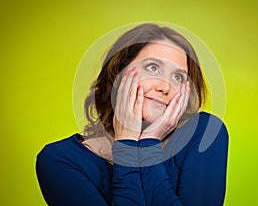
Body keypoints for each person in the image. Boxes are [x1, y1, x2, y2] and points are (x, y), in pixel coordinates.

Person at [36, 23, 229, 206]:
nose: (165, 87)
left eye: (178, 77)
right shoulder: (59, 160)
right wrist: (127, 142)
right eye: (153, 67)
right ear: (118, 73)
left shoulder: (203, 133)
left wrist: (148, 143)